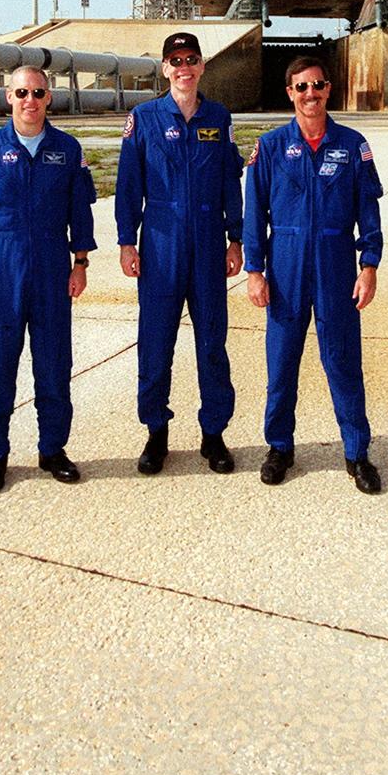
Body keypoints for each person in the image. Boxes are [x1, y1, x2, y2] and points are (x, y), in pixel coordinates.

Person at [244, 55, 384, 493]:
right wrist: (254, 270)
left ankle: (357, 452)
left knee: (342, 361)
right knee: (282, 362)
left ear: (328, 89)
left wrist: (370, 265)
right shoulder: (269, 146)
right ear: (290, 93)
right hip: (284, 266)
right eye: (301, 87)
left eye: (318, 86)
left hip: (335, 262)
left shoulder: (352, 145)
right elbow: (255, 215)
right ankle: (279, 447)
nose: (311, 94)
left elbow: (368, 210)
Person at [0, 66, 96, 493]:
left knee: (54, 368)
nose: (29, 100)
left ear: (48, 97)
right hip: (1, 273)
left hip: (53, 272)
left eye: (37, 92)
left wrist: (80, 263)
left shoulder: (67, 150)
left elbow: (80, 212)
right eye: (21, 92)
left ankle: (52, 449)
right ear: (8, 98)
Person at [115, 32, 244, 475]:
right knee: (155, 344)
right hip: (161, 245)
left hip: (208, 245)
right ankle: (156, 432)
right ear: (166, 69)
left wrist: (236, 237)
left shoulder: (218, 117)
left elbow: (231, 180)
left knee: (212, 344)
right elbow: (128, 185)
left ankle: (214, 434)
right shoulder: (144, 118)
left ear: (202, 66)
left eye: (191, 59)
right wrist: (126, 240)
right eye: (176, 60)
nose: (184, 67)